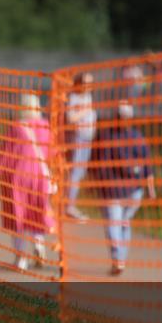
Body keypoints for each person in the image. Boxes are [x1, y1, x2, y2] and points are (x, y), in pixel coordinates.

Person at [0, 92, 56, 271]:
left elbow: (6, 155)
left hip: (17, 178)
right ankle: (39, 246)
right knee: (37, 214)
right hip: (40, 177)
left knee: (17, 217)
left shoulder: (17, 127)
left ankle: (20, 259)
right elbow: (53, 153)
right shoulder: (45, 127)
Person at [93, 99, 157, 275]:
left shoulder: (115, 137)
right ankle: (120, 259)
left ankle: (118, 259)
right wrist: (151, 190)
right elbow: (147, 167)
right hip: (125, 190)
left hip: (122, 191)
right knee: (123, 223)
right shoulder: (134, 138)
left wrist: (151, 189)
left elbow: (147, 167)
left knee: (116, 224)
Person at [65, 73, 97, 221]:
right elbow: (71, 118)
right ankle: (68, 205)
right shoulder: (74, 98)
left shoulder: (88, 97)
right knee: (75, 172)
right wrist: (86, 110)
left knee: (80, 172)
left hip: (87, 137)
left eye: (90, 83)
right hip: (78, 137)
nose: (88, 86)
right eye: (85, 83)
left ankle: (69, 203)